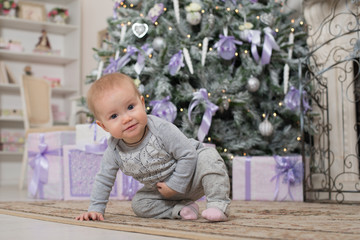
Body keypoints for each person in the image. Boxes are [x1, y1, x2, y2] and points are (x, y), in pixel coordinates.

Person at [75, 72, 231, 222]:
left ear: (142, 104)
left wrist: (174, 185)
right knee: (139, 204)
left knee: (208, 156)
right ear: (104, 126)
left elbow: (188, 154)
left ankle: (218, 205)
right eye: (114, 116)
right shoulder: (115, 151)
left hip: (194, 173)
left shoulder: (160, 129)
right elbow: (104, 179)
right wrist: (95, 209)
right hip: (165, 192)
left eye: (130, 107)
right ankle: (180, 209)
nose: (127, 118)